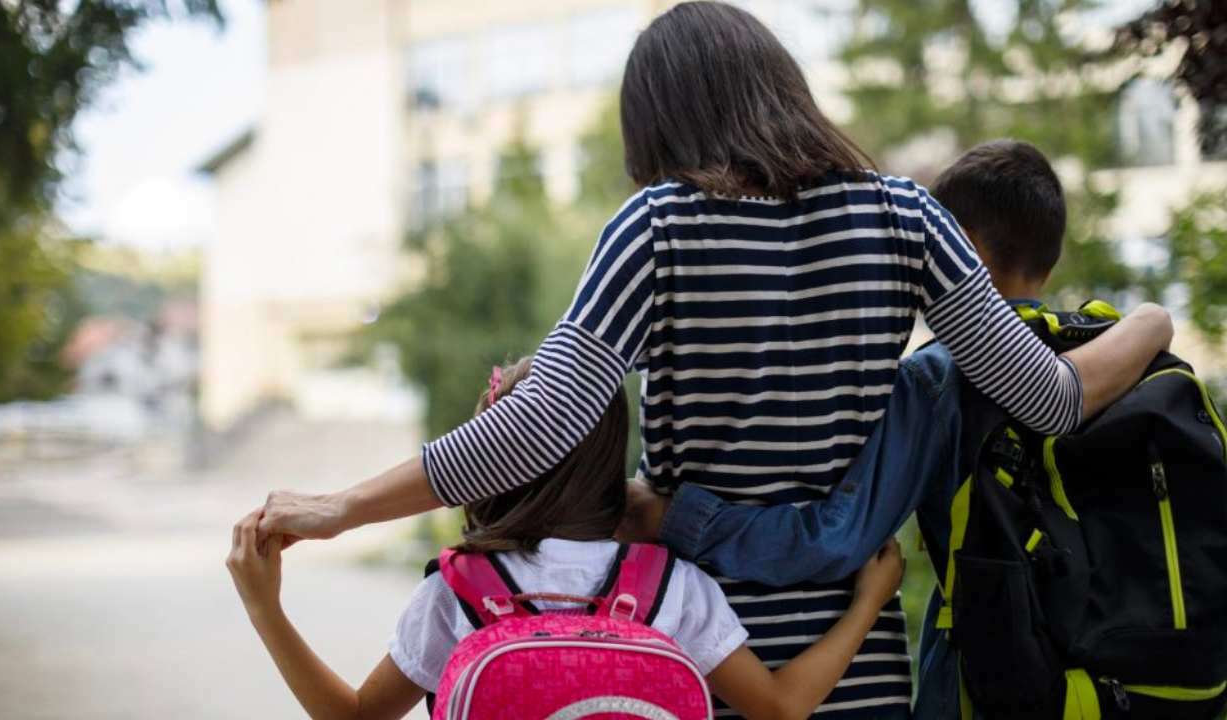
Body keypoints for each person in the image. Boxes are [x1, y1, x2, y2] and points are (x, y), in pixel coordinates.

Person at [255, 4, 1173, 716]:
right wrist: (1152, 324)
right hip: (857, 662)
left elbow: (539, 425)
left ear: (657, 124)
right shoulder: (906, 217)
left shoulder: (656, 228)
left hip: (690, 656)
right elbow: (1050, 400)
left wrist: (342, 507)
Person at [616, 140, 1157, 719]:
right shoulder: (1116, 358)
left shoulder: (941, 381)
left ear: (961, 250)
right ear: (1048, 257)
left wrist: (671, 518)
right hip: (1129, 681)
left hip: (993, 683)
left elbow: (835, 537)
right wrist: (1154, 319)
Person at [228, 359, 907, 720]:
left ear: (488, 461)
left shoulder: (458, 594)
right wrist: (867, 604)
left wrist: (265, 608)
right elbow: (783, 709)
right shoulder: (671, 586)